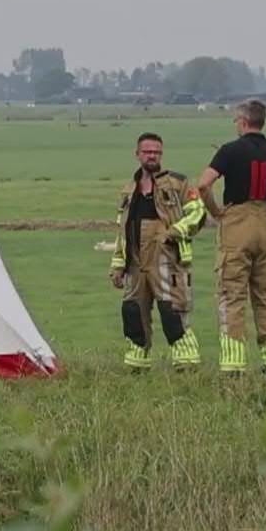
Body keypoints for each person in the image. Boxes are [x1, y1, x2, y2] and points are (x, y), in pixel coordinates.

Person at [196, 99, 266, 374]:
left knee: (232, 294)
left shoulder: (230, 150)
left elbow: (203, 183)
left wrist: (216, 211)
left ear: (242, 122)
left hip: (237, 223)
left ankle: (233, 365)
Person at [110, 133, 206, 371]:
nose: (152, 156)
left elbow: (199, 213)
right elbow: (122, 231)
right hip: (134, 260)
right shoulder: (128, 190)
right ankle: (136, 366)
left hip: (167, 258)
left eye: (156, 152)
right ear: (137, 155)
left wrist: (174, 231)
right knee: (133, 313)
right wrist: (117, 264)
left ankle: (187, 366)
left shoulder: (178, 183)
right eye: (147, 152)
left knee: (172, 311)